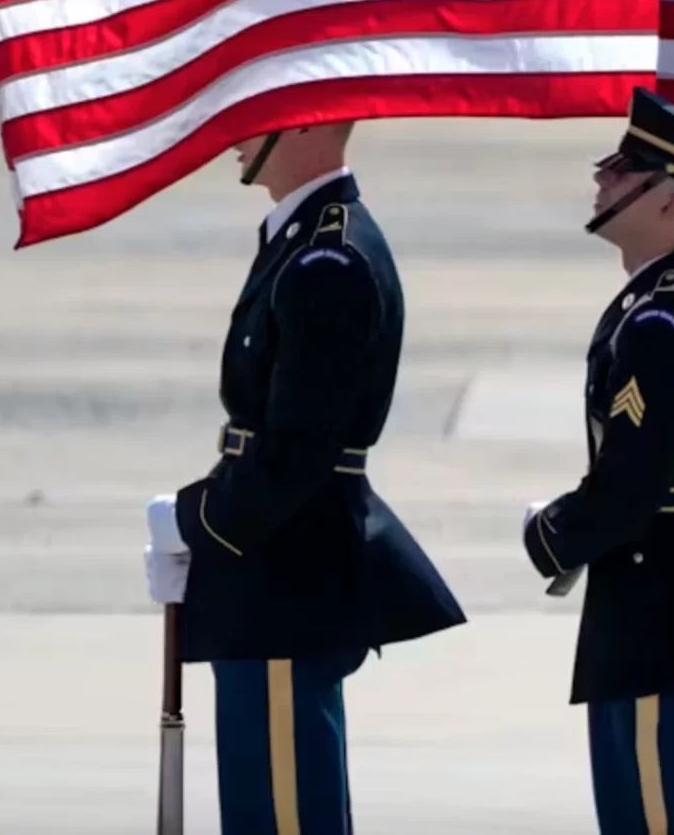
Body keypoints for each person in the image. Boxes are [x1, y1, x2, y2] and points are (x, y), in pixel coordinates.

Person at [139, 123, 466, 835]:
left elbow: (297, 451)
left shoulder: (327, 261)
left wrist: (195, 520)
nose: (234, 133)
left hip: (289, 566)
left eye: (260, 115)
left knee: (283, 811)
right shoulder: (303, 240)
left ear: (312, 122)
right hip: (273, 560)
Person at [523, 89, 674, 835]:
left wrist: (551, 535)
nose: (602, 181)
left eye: (624, 171)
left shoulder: (663, 320)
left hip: (661, 603)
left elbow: (632, 484)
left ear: (668, 205)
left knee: (658, 817)